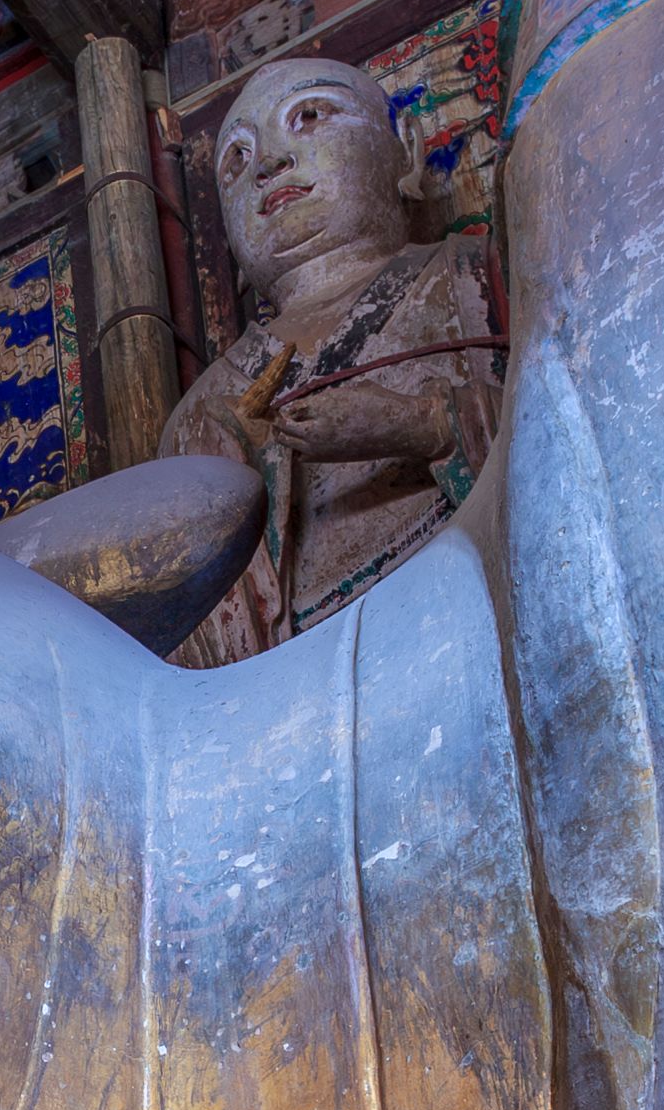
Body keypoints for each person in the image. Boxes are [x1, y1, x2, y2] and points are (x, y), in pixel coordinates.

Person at [158, 54, 502, 665]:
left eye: (310, 115)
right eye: (237, 160)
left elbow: (590, 425)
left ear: (408, 151)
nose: (269, 164)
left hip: (480, 621)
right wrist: (231, 477)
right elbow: (202, 666)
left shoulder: (479, 274)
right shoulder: (203, 410)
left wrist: (423, 425)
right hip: (306, 691)